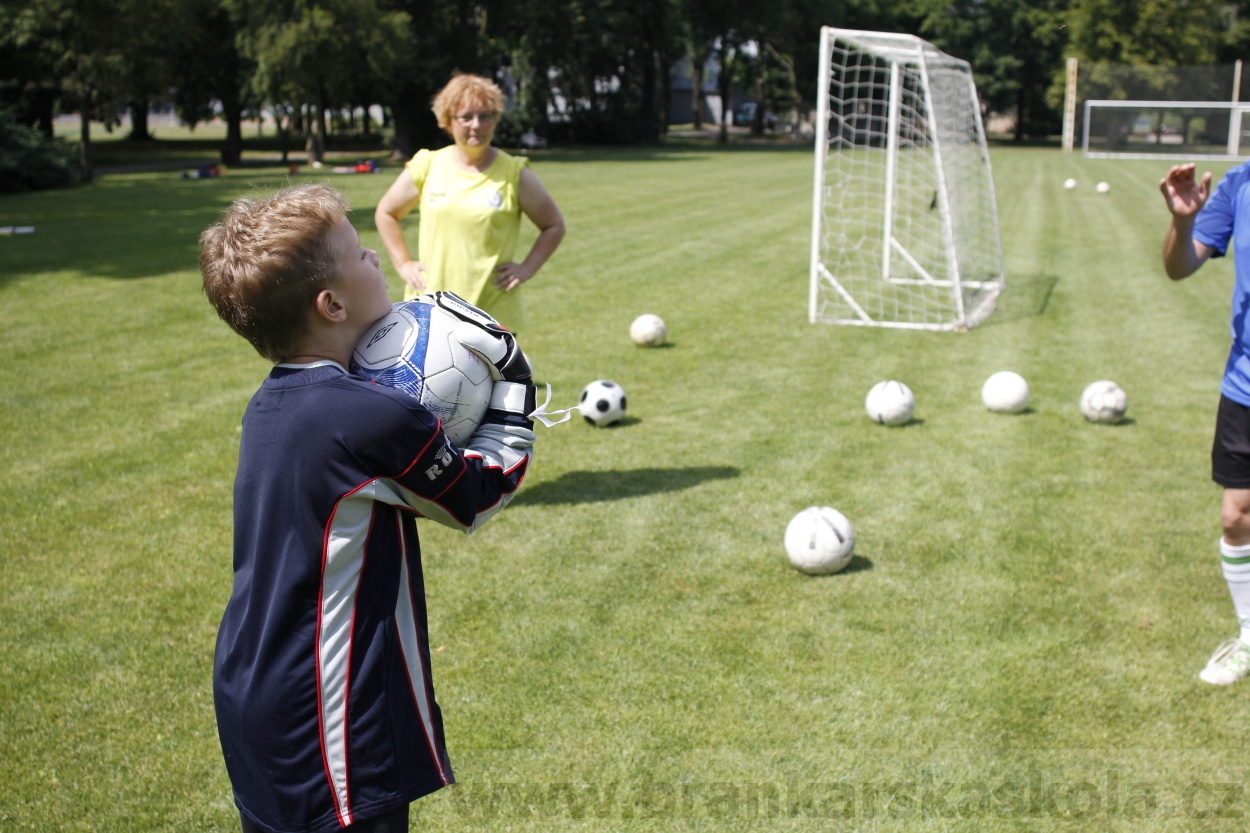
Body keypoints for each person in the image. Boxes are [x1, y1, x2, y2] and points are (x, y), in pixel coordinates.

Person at [199, 182, 537, 832]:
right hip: (328, 715)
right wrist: (511, 384)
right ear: (330, 304)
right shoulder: (366, 415)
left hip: (255, 688)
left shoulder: (273, 402)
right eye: (360, 254)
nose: (377, 259)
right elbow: (475, 495)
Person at [375, 73, 565, 333]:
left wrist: (527, 268)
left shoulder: (514, 172)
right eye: (466, 117)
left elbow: (553, 224)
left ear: (495, 119)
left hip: (494, 312)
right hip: (431, 310)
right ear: (448, 122)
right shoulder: (428, 165)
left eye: (485, 115)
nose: (476, 125)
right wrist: (404, 264)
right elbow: (386, 212)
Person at [1161, 160, 1250, 684]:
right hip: (1245, 381)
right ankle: (1249, 634)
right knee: (1236, 515)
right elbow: (1179, 267)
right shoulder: (1240, 183)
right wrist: (1184, 221)